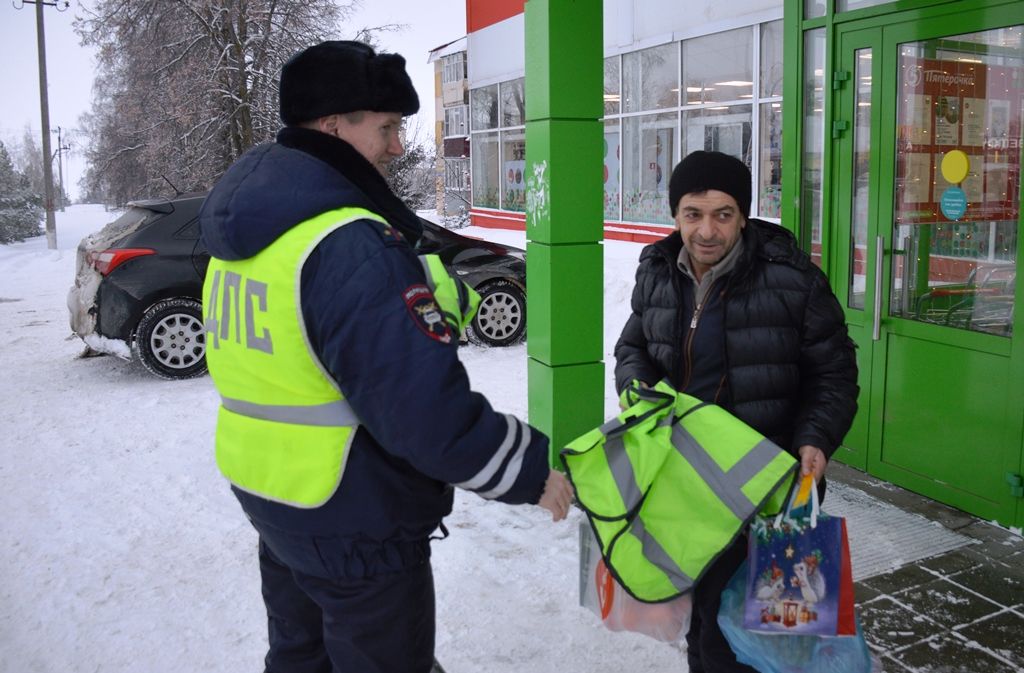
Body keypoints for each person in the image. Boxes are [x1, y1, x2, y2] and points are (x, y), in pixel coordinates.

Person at [199, 40, 573, 673]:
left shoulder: (249, 237)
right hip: (352, 515)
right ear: (332, 125)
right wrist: (529, 470)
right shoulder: (346, 242)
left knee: (300, 658)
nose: (397, 146)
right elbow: (422, 410)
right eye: (387, 127)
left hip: (274, 498)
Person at [613, 150, 859, 672]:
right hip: (684, 488)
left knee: (759, 638)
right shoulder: (657, 271)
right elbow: (632, 348)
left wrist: (816, 437)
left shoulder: (792, 280)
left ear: (743, 216)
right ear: (675, 215)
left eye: (722, 214)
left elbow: (834, 372)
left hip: (768, 492)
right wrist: (637, 390)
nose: (707, 230)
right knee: (701, 622)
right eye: (693, 214)